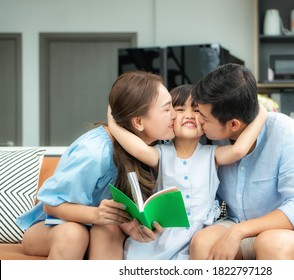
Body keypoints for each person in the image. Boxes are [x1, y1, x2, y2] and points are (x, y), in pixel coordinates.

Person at [16, 71, 176, 259]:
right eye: (167, 109)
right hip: (54, 227)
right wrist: (96, 215)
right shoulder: (94, 151)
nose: (175, 115)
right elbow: (51, 206)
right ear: (139, 122)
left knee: (108, 228)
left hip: (102, 227)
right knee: (74, 234)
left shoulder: (156, 148)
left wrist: (132, 225)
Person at [107, 84, 267, 259]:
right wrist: (113, 121)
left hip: (199, 239)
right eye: (180, 109)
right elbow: (136, 148)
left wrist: (261, 112)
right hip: (162, 239)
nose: (190, 115)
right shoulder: (161, 154)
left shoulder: (211, 155)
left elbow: (239, 150)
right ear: (170, 119)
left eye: (197, 110)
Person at [189, 63, 294, 260]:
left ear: (233, 124)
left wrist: (239, 231)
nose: (197, 120)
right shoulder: (209, 136)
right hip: (237, 222)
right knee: (202, 243)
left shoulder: (284, 131)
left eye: (203, 118)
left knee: (270, 244)